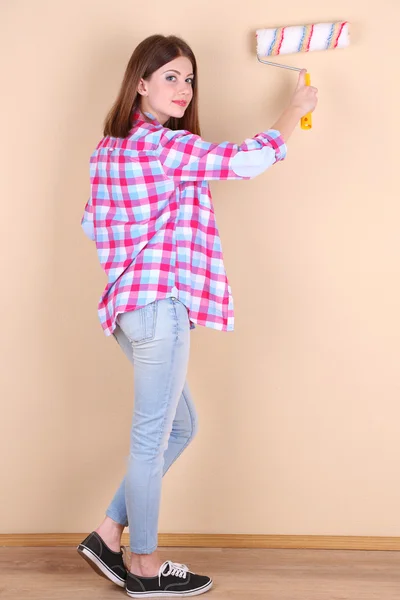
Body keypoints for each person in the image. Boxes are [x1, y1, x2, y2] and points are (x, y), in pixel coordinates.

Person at [77, 34, 318, 598]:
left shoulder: (107, 150)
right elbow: (247, 160)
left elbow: (93, 224)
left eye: (188, 79)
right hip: (159, 307)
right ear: (140, 83)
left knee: (179, 426)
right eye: (169, 77)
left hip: (127, 310)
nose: (183, 89)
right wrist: (293, 112)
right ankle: (143, 566)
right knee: (149, 439)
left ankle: (108, 532)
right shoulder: (163, 147)